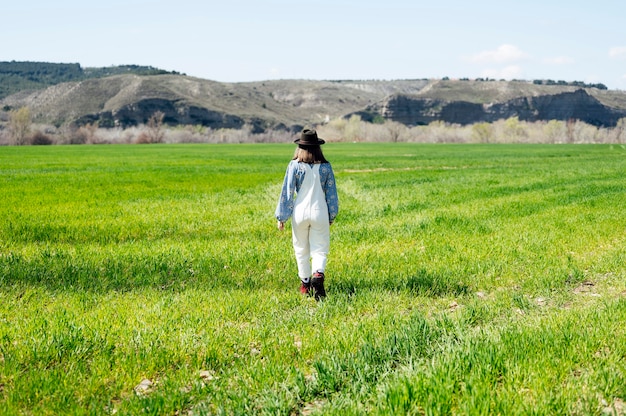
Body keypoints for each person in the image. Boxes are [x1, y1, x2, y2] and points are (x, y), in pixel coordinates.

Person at [275, 129, 339, 300]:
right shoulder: (326, 167)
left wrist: (282, 217)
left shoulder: (294, 165)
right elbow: (331, 194)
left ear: (300, 147)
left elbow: (287, 192)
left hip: (300, 213)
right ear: (318, 147)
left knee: (301, 248)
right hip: (320, 212)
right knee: (320, 248)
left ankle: (305, 284)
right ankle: (318, 274)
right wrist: (331, 215)